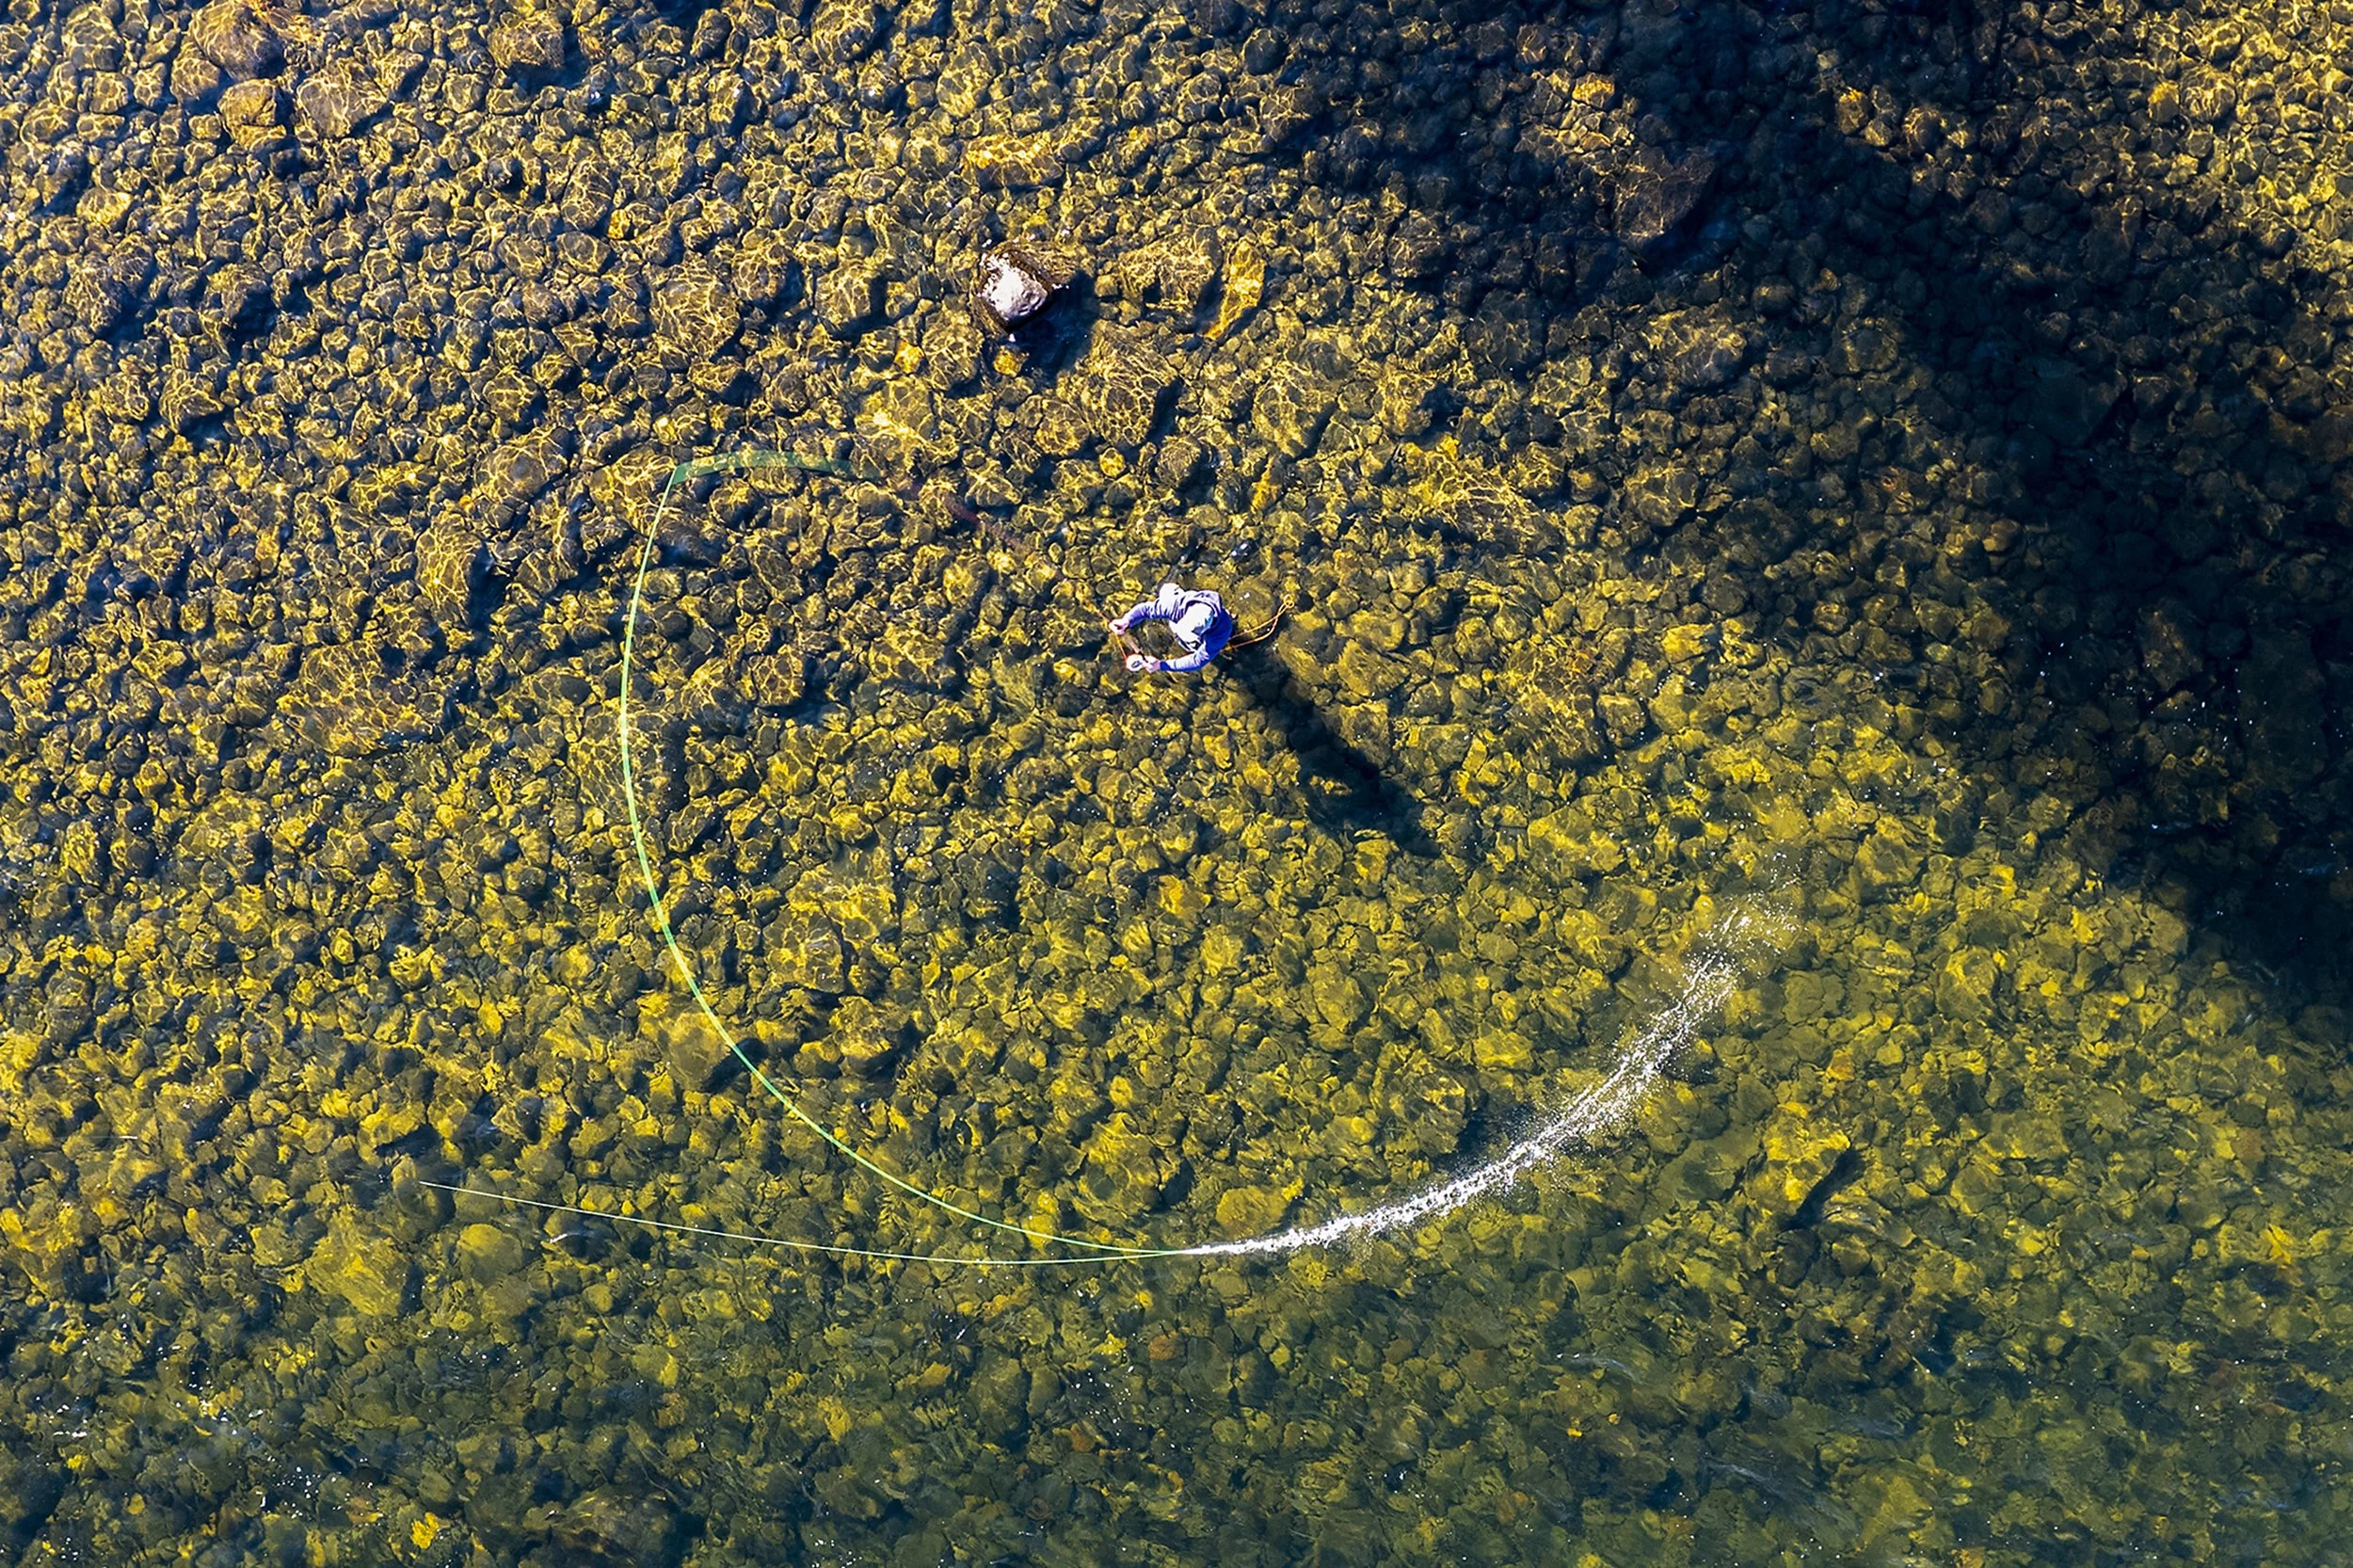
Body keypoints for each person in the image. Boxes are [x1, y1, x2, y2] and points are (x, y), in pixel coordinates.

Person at [1109, 583, 1236, 674]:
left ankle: (1227, 619)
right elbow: (1145, 610)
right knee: (1167, 589)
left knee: (1193, 647)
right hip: (1181, 606)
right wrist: (1126, 621)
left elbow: (1197, 661)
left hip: (1215, 629)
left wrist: (1161, 665)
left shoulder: (1220, 633)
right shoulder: (1177, 606)